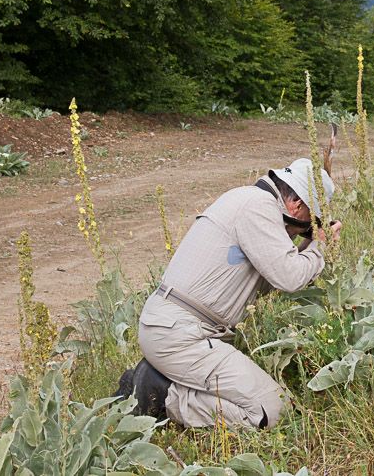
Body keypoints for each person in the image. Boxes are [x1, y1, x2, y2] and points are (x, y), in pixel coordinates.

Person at [117, 157, 340, 429]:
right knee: (273, 412)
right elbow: (290, 277)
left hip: (174, 328)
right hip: (182, 335)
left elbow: (273, 278)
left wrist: (308, 243)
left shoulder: (248, 201)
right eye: (310, 222)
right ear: (296, 205)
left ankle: (159, 377)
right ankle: (162, 395)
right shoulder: (259, 208)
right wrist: (320, 247)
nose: (299, 232)